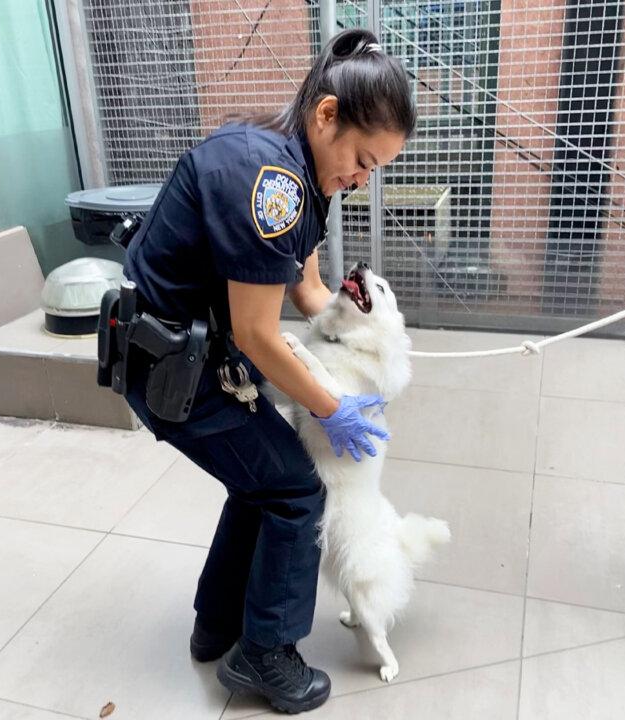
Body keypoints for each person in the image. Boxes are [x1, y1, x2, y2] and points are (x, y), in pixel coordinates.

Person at [120, 28, 416, 713]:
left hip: (192, 356)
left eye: (375, 170)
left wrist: (368, 327)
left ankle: (217, 626)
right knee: (294, 490)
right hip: (171, 370)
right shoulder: (273, 186)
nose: (363, 178)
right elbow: (258, 335)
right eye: (363, 160)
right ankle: (266, 656)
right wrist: (330, 407)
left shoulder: (305, 178)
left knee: (263, 482)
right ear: (326, 116)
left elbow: (306, 294)